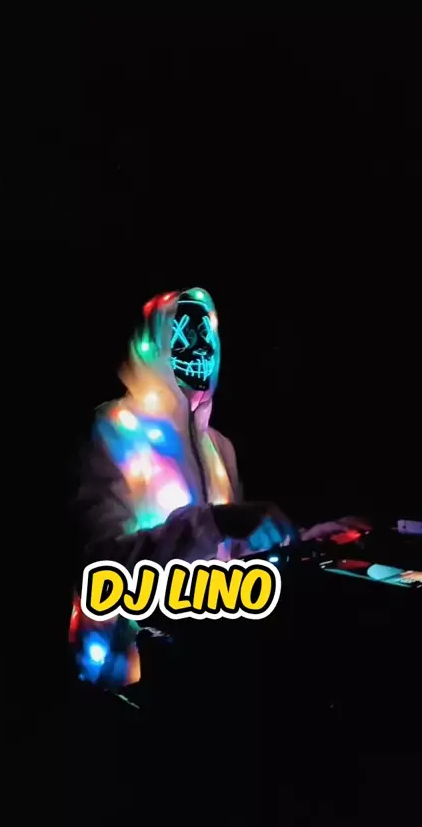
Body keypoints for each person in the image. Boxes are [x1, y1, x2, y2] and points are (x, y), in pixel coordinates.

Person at [71, 287, 369, 687]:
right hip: (123, 679)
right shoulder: (111, 430)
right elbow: (103, 565)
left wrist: (298, 540)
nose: (200, 348)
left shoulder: (218, 447)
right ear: (153, 341)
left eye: (206, 335)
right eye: (182, 332)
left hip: (203, 668)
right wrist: (215, 521)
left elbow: (233, 553)